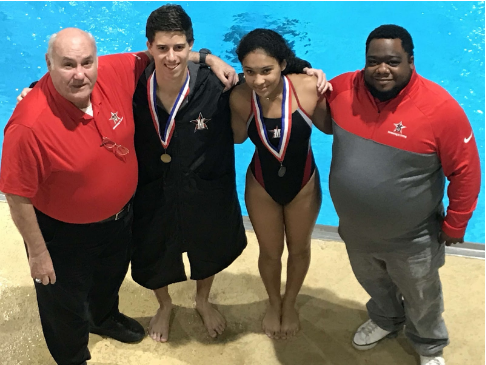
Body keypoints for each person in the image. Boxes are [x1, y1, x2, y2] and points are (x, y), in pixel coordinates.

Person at [1, 27, 235, 365]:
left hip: (119, 219)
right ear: (48, 64)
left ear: (97, 60)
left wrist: (210, 57)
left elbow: (160, 55)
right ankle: (72, 355)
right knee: (64, 303)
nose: (80, 75)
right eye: (67, 65)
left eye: (86, 63)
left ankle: (104, 318)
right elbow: (17, 195)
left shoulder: (113, 71)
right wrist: (38, 253)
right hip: (64, 234)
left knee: (109, 280)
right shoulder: (28, 126)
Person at [130, 5, 328, 343]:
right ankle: (166, 306)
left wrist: (310, 71)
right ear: (149, 47)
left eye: (179, 47)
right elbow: (236, 133)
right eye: (161, 48)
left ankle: (231, 302)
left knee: (288, 248)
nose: (171, 56)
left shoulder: (295, 89)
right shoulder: (232, 93)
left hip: (296, 184)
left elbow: (335, 125)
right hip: (234, 185)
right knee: (158, 248)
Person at [326, 24, 481, 365]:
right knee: (374, 283)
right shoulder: (341, 90)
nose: (382, 69)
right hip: (356, 231)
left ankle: (429, 345)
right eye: (373, 61)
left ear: (411, 61)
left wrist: (456, 224)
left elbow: (466, 172)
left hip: (413, 238)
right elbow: (298, 89)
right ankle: (386, 319)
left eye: (393, 61)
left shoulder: (440, 109)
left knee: (422, 296)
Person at [229, 29, 332, 340]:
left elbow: (328, 128)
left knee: (299, 249)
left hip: (304, 184)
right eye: (249, 72)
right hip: (262, 186)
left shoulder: (307, 87)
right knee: (270, 252)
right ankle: (274, 303)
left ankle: (291, 302)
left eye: (266, 71)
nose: (258, 80)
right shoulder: (240, 97)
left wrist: (325, 93)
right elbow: (236, 137)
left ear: (283, 65)